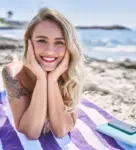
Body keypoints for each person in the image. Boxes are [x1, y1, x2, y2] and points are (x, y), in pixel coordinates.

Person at [2, 8, 85, 140]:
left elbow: (61, 130)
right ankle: (15, 58)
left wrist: (52, 80)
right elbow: (31, 132)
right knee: (14, 62)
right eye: (42, 40)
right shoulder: (11, 73)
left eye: (59, 42)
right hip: (19, 69)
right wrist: (41, 79)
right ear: (29, 42)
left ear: (69, 46)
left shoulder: (69, 74)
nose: (50, 51)